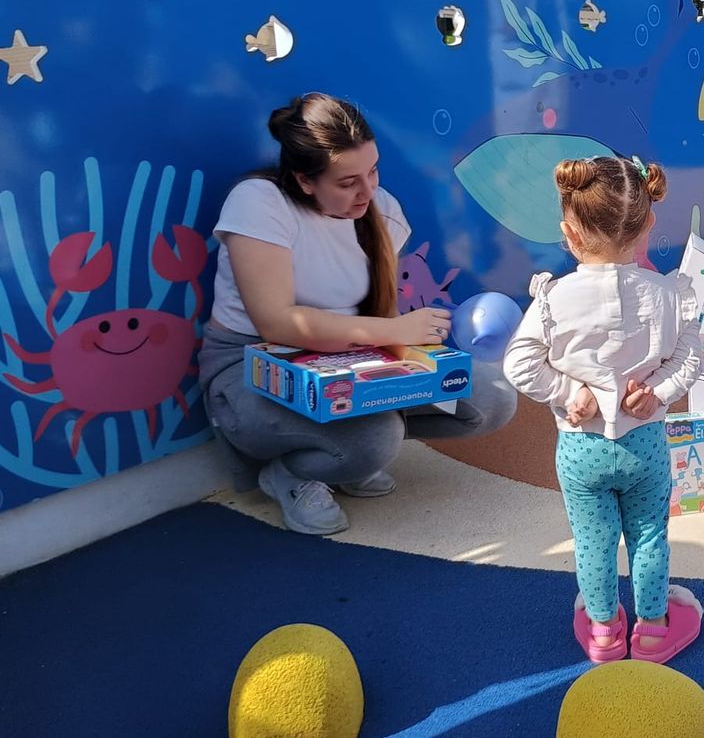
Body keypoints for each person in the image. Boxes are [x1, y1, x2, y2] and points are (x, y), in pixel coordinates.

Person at [196, 93, 518, 536]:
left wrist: (420, 352)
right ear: (305, 181)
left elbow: (381, 318)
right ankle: (293, 474)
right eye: (347, 182)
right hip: (254, 366)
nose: (367, 191)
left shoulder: (380, 209)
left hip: (351, 356)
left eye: (372, 170)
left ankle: (345, 451)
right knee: (375, 436)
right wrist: (392, 329)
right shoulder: (260, 202)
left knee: (488, 397)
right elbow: (277, 323)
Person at [502, 156, 704, 665]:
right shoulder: (668, 296)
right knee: (650, 534)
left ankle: (603, 631)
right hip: (644, 446)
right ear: (648, 222)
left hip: (580, 450)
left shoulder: (554, 299)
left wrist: (570, 393)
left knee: (592, 541)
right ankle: (655, 629)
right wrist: (656, 391)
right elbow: (690, 358)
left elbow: (520, 366)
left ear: (568, 233)